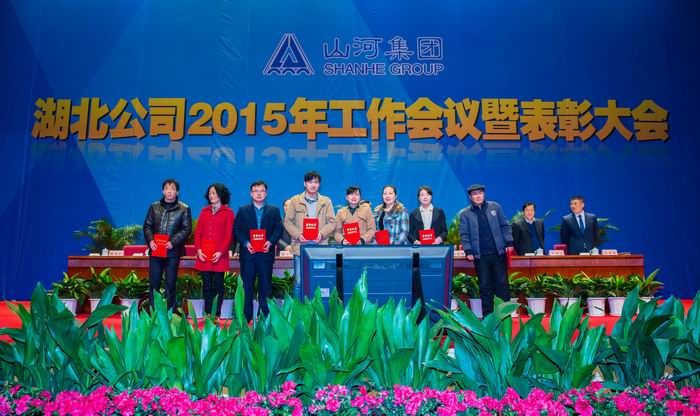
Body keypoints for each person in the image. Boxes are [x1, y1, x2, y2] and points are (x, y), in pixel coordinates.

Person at [459, 184, 513, 317]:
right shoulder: (465, 214)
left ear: (484, 194)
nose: (478, 196)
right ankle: (488, 318)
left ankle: (505, 317)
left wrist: (509, 241)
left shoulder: (495, 207)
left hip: (498, 253)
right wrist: (468, 251)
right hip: (480, 257)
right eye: (474, 194)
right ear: (470, 197)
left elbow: (505, 226)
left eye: (480, 193)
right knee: (485, 287)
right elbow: (464, 234)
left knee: (502, 285)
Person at [233, 181, 283, 321]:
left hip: (266, 254)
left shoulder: (274, 210)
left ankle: (264, 316)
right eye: (256, 191)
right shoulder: (243, 210)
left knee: (265, 286)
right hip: (248, 255)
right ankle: (246, 317)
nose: (259, 193)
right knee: (247, 286)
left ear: (266, 194)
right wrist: (246, 243)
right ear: (251, 194)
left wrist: (270, 241)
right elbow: (236, 229)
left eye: (262, 191)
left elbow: (279, 229)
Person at [283, 171, 336, 297]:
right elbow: (288, 221)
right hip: (300, 247)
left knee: (318, 281)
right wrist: (298, 234)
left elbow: (332, 222)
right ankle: (298, 309)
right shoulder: (295, 200)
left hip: (320, 247)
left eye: (316, 182)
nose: (313, 185)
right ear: (305, 183)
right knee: (298, 282)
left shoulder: (326, 201)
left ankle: (318, 309)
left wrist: (322, 234)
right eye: (310, 182)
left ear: (319, 184)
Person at [143, 179, 192, 311]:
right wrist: (151, 240)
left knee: (170, 284)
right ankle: (153, 312)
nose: (169, 191)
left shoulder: (184, 208)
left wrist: (172, 242)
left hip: (173, 252)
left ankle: (171, 313)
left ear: (177, 192)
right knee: (154, 284)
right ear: (162, 191)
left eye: (172, 189)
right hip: (156, 252)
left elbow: (186, 229)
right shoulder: (154, 207)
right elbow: (147, 226)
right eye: (167, 188)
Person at [193, 183, 234, 320]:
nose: (211, 195)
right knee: (206, 285)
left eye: (214, 193)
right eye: (210, 193)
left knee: (218, 285)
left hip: (219, 256)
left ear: (221, 195)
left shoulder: (228, 212)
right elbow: (198, 233)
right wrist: (198, 250)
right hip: (204, 255)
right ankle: (207, 313)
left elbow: (229, 235)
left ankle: (216, 314)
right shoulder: (204, 211)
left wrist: (220, 252)